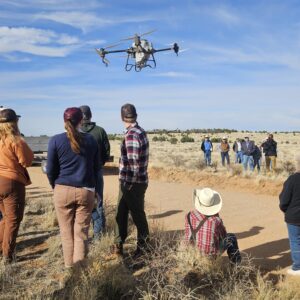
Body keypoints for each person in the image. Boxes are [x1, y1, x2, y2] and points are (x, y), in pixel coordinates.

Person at [47, 107, 99, 268]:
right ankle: (79, 272)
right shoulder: (90, 140)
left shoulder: (55, 140)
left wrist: (55, 185)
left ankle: (69, 269)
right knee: (81, 234)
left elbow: (50, 169)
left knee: (66, 233)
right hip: (85, 191)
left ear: (64, 121)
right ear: (81, 120)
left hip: (62, 190)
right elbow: (96, 168)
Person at [112, 103, 149, 257]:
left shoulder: (132, 134)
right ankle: (118, 246)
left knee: (137, 216)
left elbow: (133, 165)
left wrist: (128, 185)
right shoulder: (139, 131)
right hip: (134, 182)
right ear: (136, 116)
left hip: (132, 183)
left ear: (122, 117)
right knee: (121, 213)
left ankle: (144, 249)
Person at [0, 108, 34, 262]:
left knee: (6, 218)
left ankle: (3, 248)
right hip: (11, 182)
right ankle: (8, 255)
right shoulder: (16, 140)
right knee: (13, 220)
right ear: (15, 122)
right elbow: (27, 161)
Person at [185, 188, 241, 263]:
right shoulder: (216, 221)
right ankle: (236, 266)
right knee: (231, 237)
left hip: (190, 251)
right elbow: (223, 236)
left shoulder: (189, 215)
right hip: (209, 257)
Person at [79, 105, 110, 239]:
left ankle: (83, 235)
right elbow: (106, 152)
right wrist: (99, 163)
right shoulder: (100, 131)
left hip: (79, 174)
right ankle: (99, 235)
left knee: (82, 204)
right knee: (99, 201)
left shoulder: (75, 132)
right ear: (91, 115)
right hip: (96, 171)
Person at [279, 156, 300, 275]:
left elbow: (284, 200)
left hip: (294, 217)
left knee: (295, 241)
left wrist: (287, 211)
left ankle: (298, 267)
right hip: (294, 215)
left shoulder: (292, 179)